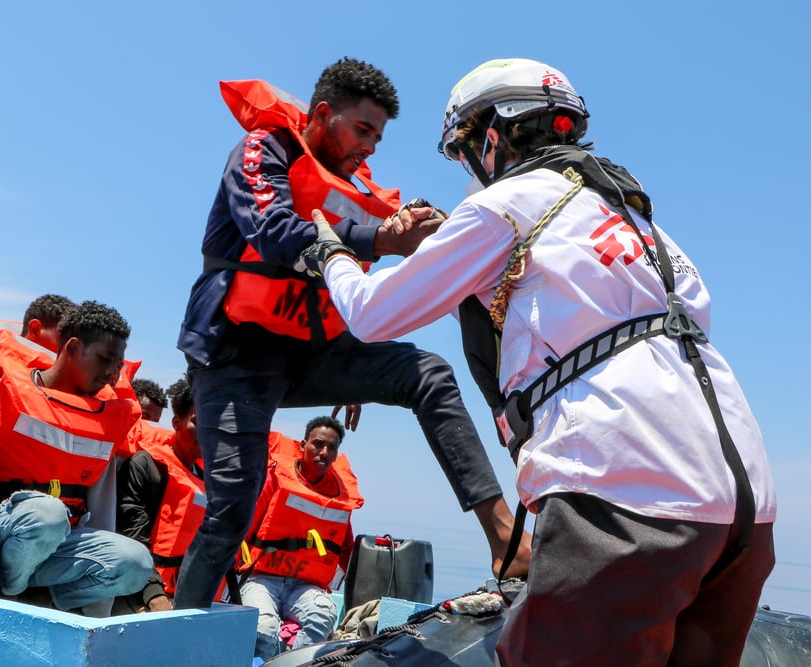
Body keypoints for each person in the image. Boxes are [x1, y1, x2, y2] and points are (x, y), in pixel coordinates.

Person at [308, 58, 778, 665]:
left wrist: (332, 253)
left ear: (493, 137)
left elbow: (372, 314)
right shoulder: (642, 226)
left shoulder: (505, 204)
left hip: (629, 498)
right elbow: (567, 318)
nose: (470, 175)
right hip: (745, 513)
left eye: (465, 155)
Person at [174, 56, 530, 610]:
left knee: (427, 373)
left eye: (379, 136)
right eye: (363, 129)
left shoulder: (356, 188)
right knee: (231, 513)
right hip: (236, 353)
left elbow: (379, 254)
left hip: (316, 353)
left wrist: (414, 232)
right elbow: (273, 232)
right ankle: (179, 632)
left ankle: (506, 538)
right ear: (322, 114)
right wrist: (383, 242)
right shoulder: (263, 149)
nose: (371, 146)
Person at [0, 300, 152, 615]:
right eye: (105, 359)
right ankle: (8, 596)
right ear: (71, 348)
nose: (113, 373)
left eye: (119, 364)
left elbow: (102, 508)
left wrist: (97, 610)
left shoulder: (106, 418)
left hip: (58, 540)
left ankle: (46, 602)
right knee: (47, 515)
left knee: (136, 563)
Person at [238, 416, 360, 661]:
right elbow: (244, 528)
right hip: (262, 577)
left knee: (322, 617)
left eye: (331, 448)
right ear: (304, 445)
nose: (324, 452)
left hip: (304, 585)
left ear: (337, 454)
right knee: (264, 629)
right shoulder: (275, 479)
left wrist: (360, 595)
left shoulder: (340, 498)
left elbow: (346, 550)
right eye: (318, 444)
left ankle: (295, 663)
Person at [116, 376, 204, 612]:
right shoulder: (145, 465)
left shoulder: (213, 482)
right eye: (198, 422)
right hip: (137, 588)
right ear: (176, 423)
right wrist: (154, 596)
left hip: (188, 594)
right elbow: (132, 537)